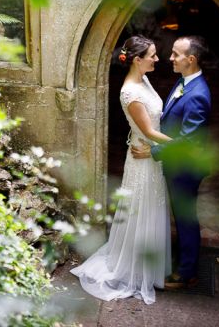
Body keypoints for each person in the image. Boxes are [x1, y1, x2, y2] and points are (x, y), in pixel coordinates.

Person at [71, 35, 172, 305]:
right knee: (141, 210)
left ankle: (150, 267)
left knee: (151, 207)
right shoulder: (130, 92)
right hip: (143, 158)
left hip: (150, 155)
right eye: (152, 55)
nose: (157, 59)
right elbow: (149, 131)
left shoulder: (144, 80)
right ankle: (134, 269)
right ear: (138, 60)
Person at [132, 35, 212, 290]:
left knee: (186, 217)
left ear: (191, 60)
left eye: (175, 54)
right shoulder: (185, 82)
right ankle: (183, 260)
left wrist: (154, 152)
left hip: (186, 167)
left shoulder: (199, 94)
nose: (169, 58)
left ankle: (187, 272)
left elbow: (189, 141)